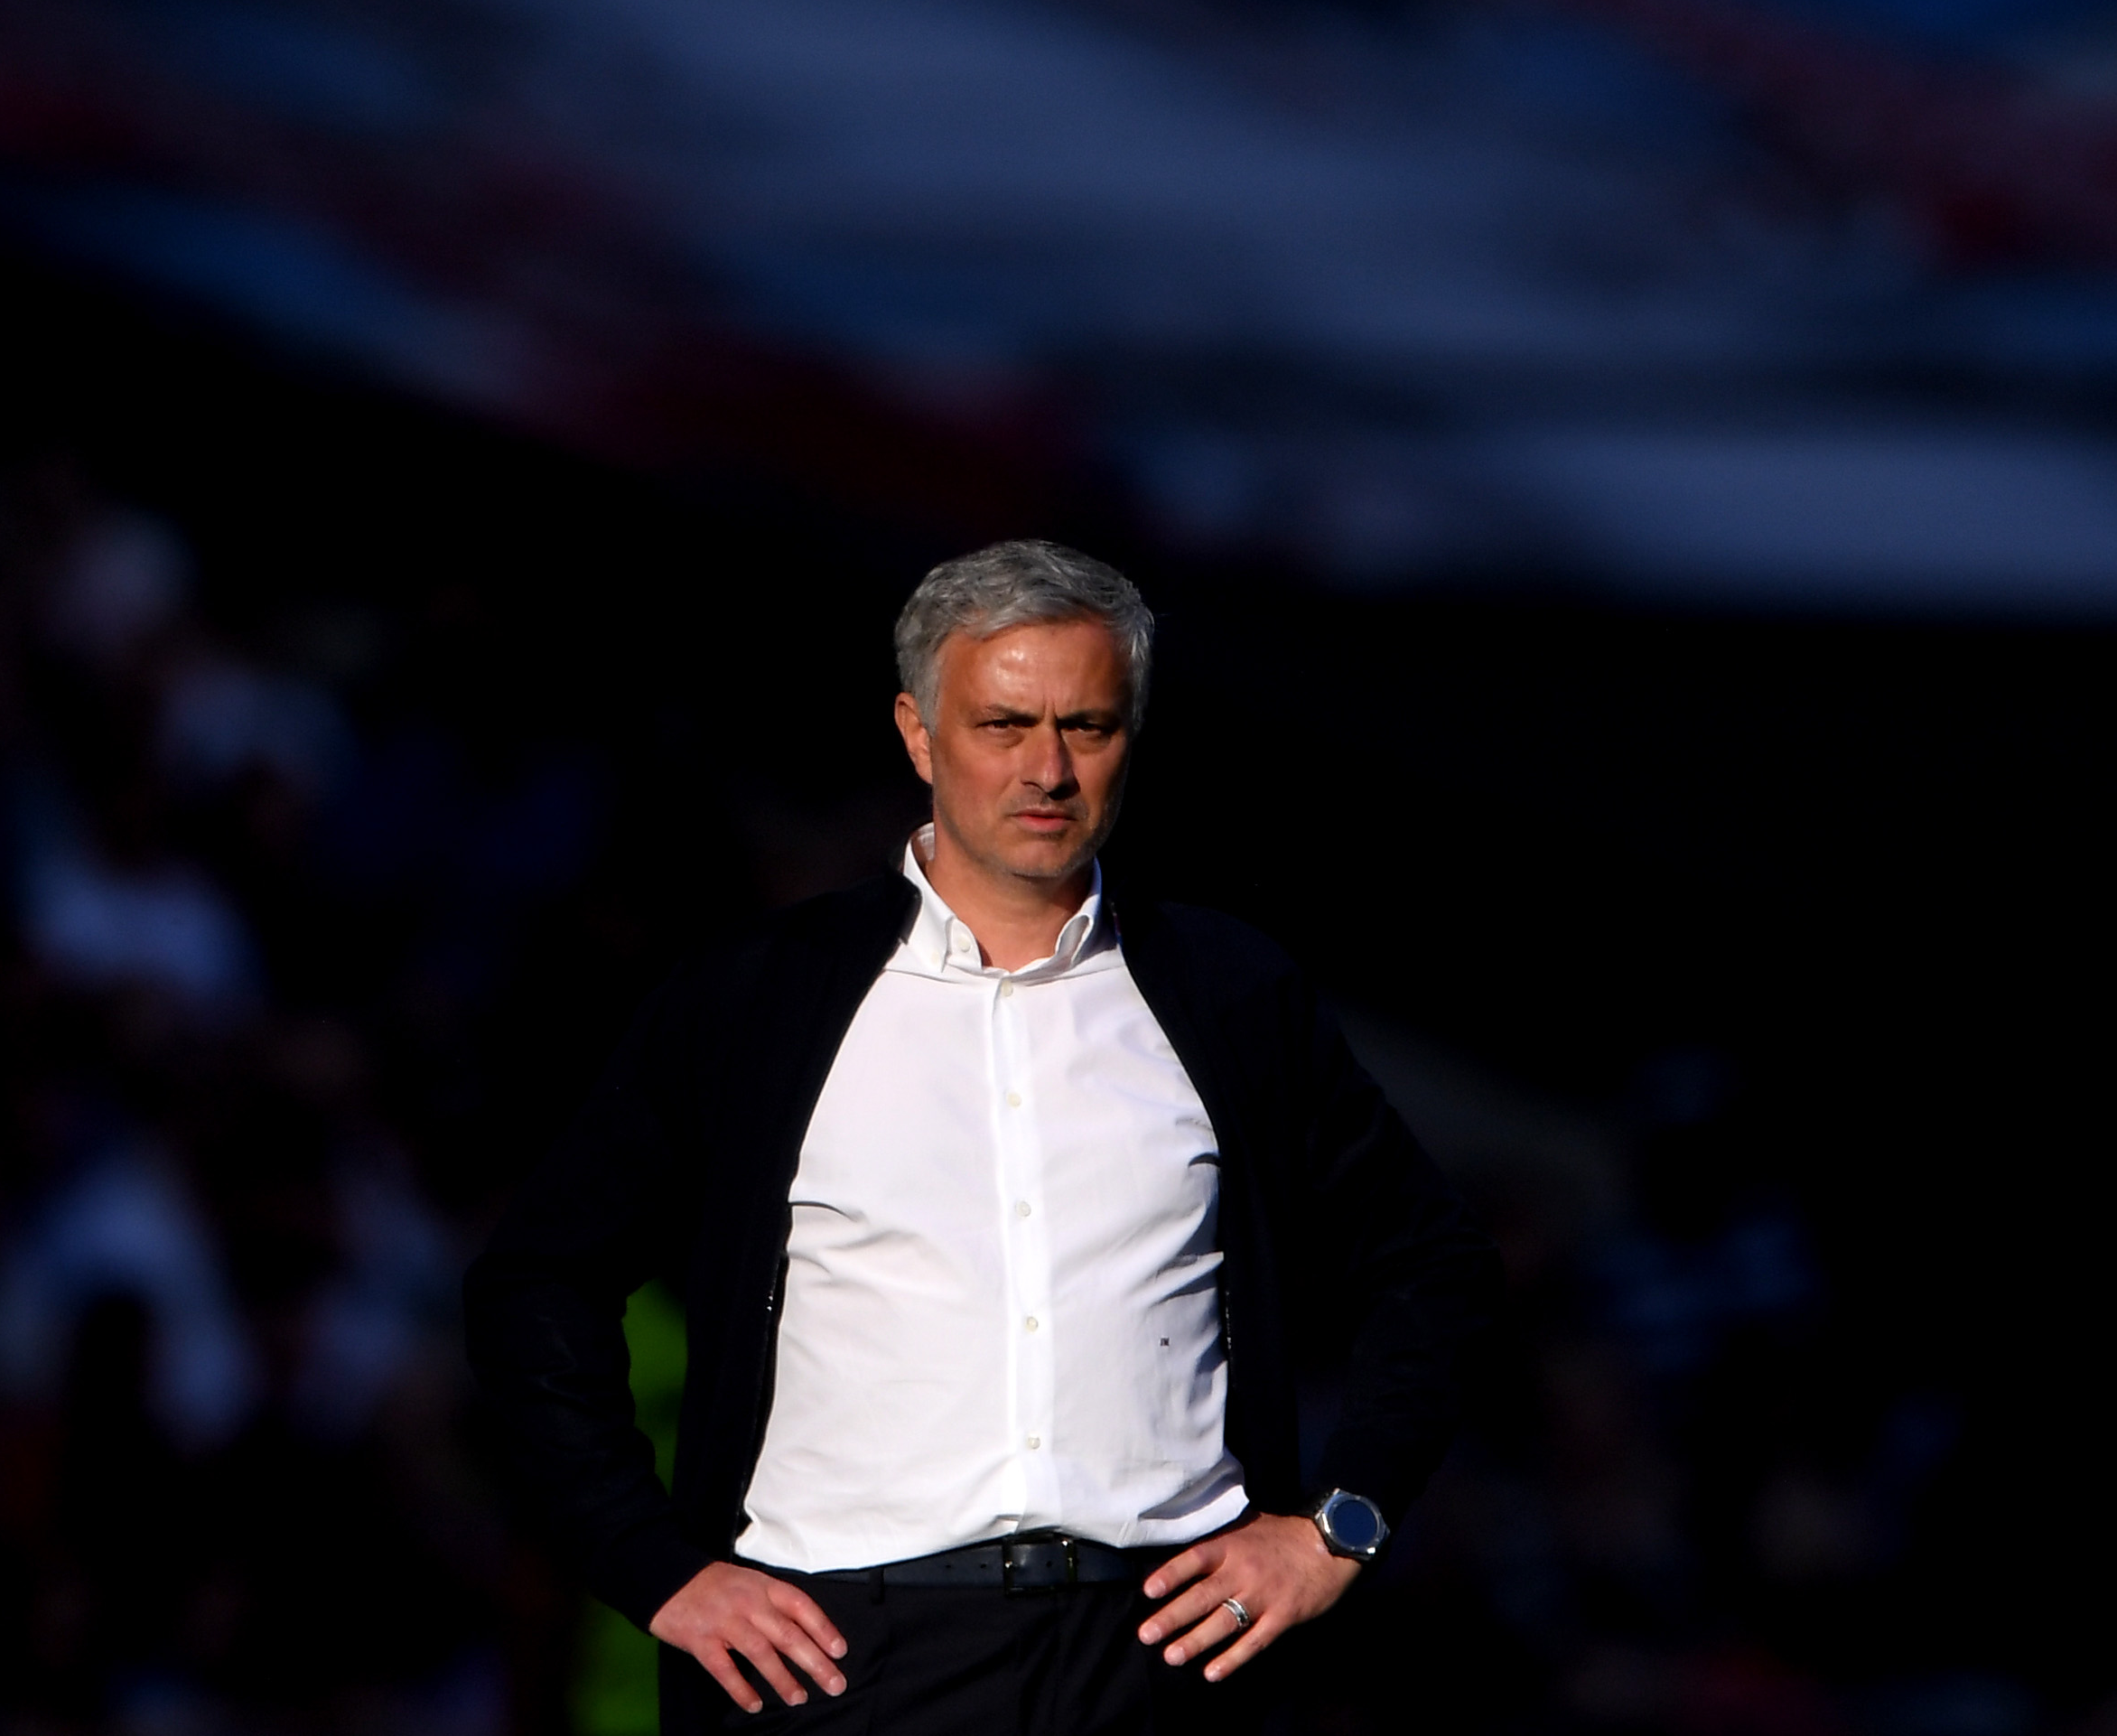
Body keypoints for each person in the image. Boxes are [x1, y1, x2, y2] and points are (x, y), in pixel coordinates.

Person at [465, 540, 1498, 1731]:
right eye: (1003, 724)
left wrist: (1340, 1526)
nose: (1046, 768)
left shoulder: (1227, 992)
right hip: (835, 1661)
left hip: (1165, 1654)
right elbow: (537, 1280)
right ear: (917, 733)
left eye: (1087, 726)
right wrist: (653, 1566)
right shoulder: (759, 995)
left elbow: (1436, 1264)